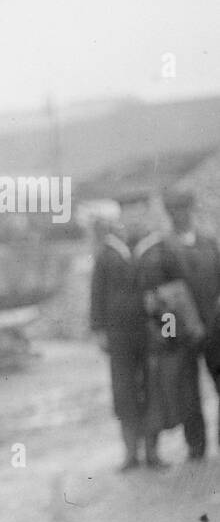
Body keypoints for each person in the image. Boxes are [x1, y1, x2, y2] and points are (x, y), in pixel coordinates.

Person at [141, 187, 220, 460]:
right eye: (174, 210)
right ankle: (196, 448)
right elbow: (157, 300)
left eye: (184, 209)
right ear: (168, 213)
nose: (180, 215)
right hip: (182, 336)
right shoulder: (162, 250)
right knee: (189, 396)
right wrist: (170, 335)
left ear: (192, 210)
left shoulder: (209, 244)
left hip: (214, 330)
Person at [90, 195, 166, 469]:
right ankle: (130, 453)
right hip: (119, 335)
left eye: (139, 214)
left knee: (152, 389)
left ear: (145, 216)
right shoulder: (108, 253)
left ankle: (152, 452)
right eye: (128, 214)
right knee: (124, 392)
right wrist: (99, 330)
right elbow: (96, 295)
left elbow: (169, 293)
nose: (133, 220)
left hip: (149, 332)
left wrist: (167, 328)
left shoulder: (155, 250)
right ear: (120, 218)